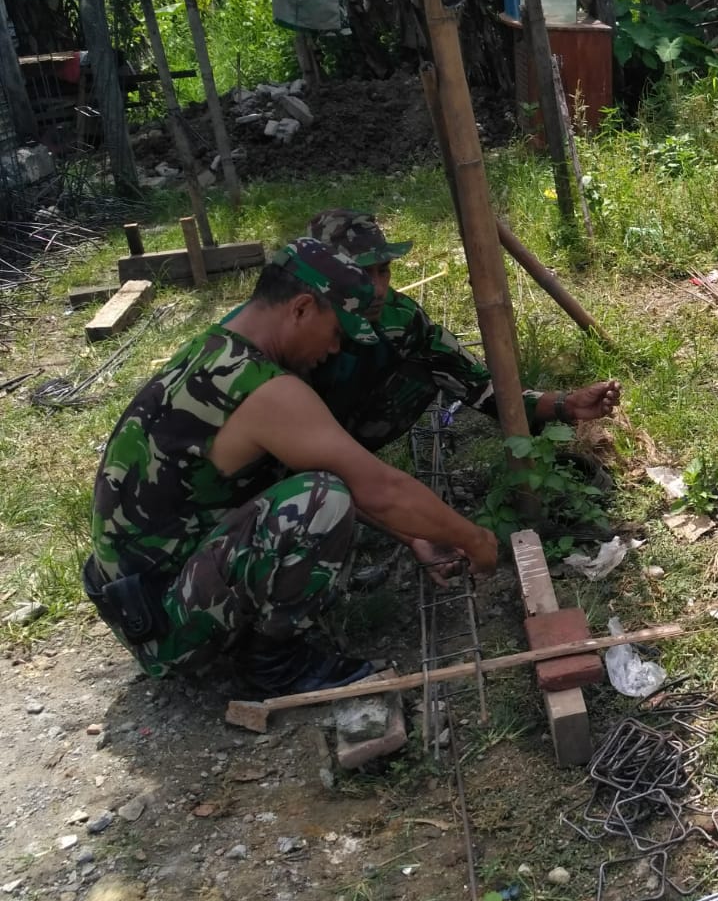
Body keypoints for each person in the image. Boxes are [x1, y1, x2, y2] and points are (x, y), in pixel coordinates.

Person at [86, 238, 501, 696]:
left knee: (316, 482)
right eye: (336, 332)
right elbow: (381, 488)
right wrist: (475, 540)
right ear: (301, 308)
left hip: (142, 605)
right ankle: (274, 665)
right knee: (322, 498)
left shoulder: (215, 352)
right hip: (167, 629)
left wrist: (416, 537)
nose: (335, 349)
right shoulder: (268, 392)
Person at [305, 209, 619, 453]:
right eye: (358, 272)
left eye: (383, 270)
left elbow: (480, 386)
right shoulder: (289, 330)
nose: (375, 288)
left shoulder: (399, 318)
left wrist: (567, 404)